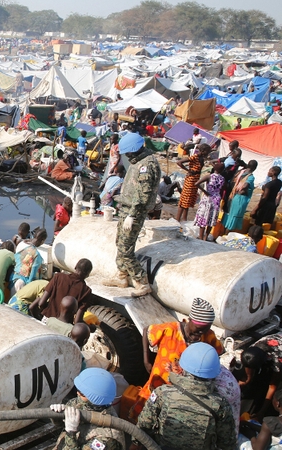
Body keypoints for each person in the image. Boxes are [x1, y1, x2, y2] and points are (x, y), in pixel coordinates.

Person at [131, 298, 224, 419]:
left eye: (206, 329)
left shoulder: (208, 336)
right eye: (199, 328)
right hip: (159, 383)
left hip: (182, 391)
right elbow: (146, 330)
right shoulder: (170, 330)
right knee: (146, 412)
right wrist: (146, 360)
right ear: (190, 320)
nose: (201, 332)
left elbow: (217, 351)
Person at [136, 343, 237, 450]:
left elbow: (144, 425)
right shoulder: (220, 405)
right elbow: (227, 443)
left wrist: (134, 444)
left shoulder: (162, 393)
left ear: (182, 367)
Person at [102, 132, 161, 297]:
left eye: (128, 153)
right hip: (126, 209)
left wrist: (132, 215)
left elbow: (143, 195)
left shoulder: (146, 166)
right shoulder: (138, 161)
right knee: (119, 242)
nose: (126, 156)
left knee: (126, 249)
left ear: (135, 150)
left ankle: (142, 282)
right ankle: (122, 276)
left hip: (133, 212)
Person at [49, 368, 125, 450]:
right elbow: (61, 424)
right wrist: (57, 416)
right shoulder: (82, 403)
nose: (77, 393)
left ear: (95, 400)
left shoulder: (105, 439)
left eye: (83, 393)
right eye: (78, 389)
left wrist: (71, 433)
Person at [176, 143, 213, 223]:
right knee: (185, 199)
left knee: (188, 200)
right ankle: (179, 219)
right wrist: (188, 170)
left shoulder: (201, 158)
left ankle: (183, 219)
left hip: (195, 179)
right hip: (191, 179)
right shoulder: (195, 157)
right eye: (208, 151)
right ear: (203, 151)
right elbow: (179, 162)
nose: (208, 153)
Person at [194, 162, 226, 241]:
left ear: (214, 168)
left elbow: (196, 183)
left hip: (208, 198)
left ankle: (201, 237)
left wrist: (204, 191)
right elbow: (222, 188)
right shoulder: (222, 178)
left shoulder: (209, 176)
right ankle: (205, 237)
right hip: (216, 199)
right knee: (211, 219)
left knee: (204, 217)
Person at [224, 160, 258, 231]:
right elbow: (245, 185)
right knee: (234, 217)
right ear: (255, 168)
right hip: (240, 198)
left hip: (233, 196)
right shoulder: (250, 177)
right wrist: (242, 189)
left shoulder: (240, 172)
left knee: (230, 215)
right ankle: (227, 234)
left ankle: (223, 233)